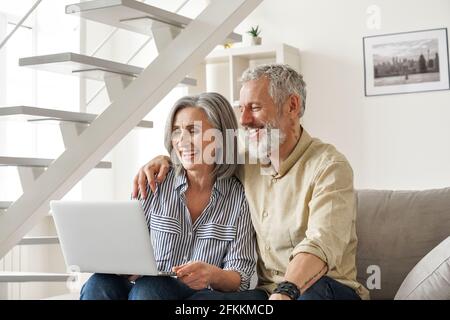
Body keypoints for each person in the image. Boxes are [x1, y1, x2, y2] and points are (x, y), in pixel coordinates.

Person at [133, 64, 370, 300]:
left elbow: (320, 244)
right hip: (268, 291)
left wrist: (286, 292)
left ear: (292, 106)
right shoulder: (247, 161)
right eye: (241, 108)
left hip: (325, 288)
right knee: (201, 301)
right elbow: (200, 157)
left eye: (255, 108)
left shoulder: (329, 167)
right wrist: (163, 160)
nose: (244, 120)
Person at [80, 92, 258, 300]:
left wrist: (212, 274)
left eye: (193, 131)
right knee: (98, 284)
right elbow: (127, 249)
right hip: (143, 288)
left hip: (192, 296)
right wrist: (123, 266)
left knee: (150, 289)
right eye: (176, 131)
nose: (182, 141)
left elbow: (241, 275)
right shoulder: (154, 182)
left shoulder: (238, 198)